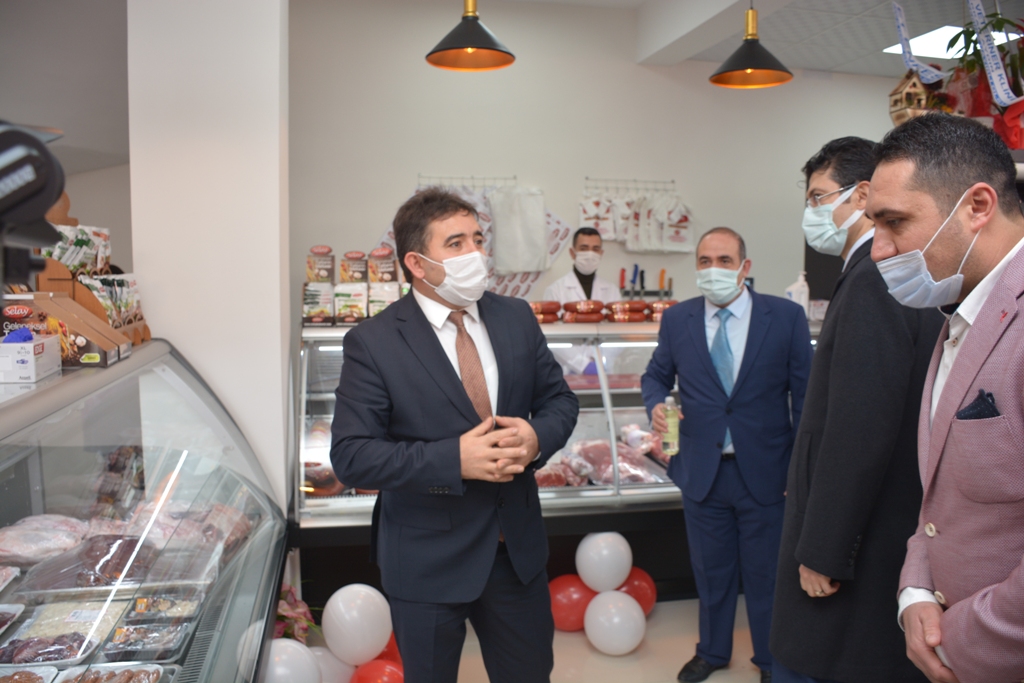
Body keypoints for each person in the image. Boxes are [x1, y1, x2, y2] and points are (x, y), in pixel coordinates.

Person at [330, 187, 579, 683]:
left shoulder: (516, 317)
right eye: (456, 243)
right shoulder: (373, 342)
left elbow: (560, 401)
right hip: (426, 561)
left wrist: (535, 438)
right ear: (417, 263)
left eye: (478, 239)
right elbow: (353, 456)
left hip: (515, 552)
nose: (476, 254)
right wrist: (453, 460)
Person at [769, 137, 942, 683]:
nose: (810, 212)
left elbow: (859, 429)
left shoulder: (872, 278)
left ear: (862, 195)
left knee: (831, 658)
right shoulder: (885, 273)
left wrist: (823, 548)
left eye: (818, 197)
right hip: (881, 524)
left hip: (861, 540)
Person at [868, 113, 1024, 683]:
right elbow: (941, 499)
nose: (878, 251)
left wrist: (963, 640)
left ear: (977, 206)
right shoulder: (961, 311)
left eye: (895, 222)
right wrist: (915, 590)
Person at [642, 227, 812, 683]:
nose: (712, 269)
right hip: (702, 471)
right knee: (710, 571)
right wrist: (656, 404)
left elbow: (806, 398)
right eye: (704, 261)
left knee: (766, 576)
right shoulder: (677, 319)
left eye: (723, 260)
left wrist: (799, 470)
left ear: (744, 267)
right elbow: (655, 376)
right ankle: (712, 651)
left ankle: (770, 660)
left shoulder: (785, 317)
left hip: (767, 471)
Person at [543, 227, 621, 304]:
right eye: (583, 249)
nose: (590, 255)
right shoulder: (555, 291)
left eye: (595, 249)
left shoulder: (612, 291)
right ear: (572, 253)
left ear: (601, 254)